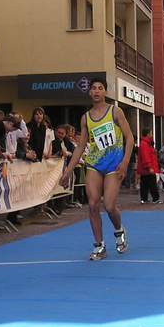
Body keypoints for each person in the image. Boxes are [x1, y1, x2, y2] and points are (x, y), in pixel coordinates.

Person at [60, 79, 134, 261]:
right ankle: (99, 245)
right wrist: (68, 171)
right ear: (90, 92)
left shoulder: (115, 112)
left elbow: (130, 138)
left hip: (114, 164)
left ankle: (119, 230)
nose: (96, 91)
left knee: (109, 205)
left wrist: (125, 162)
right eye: (93, 88)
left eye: (100, 88)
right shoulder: (86, 118)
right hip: (94, 164)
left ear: (105, 92)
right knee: (93, 204)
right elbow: (80, 146)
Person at [136, 127, 162, 204]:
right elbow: (146, 156)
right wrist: (149, 167)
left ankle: (144, 199)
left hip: (145, 168)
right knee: (152, 184)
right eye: (151, 133)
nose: (152, 135)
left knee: (144, 184)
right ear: (148, 134)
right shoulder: (145, 144)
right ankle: (155, 199)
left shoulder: (145, 144)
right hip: (148, 168)